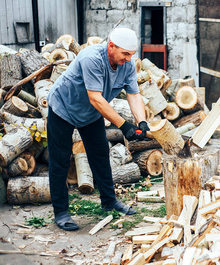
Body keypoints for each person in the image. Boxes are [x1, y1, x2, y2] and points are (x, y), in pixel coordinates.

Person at [47, 27, 150, 231]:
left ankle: (109, 201)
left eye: (132, 55)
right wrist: (123, 125)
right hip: (63, 107)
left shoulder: (127, 64)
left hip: (89, 113)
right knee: (60, 159)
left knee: (100, 154)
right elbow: (96, 98)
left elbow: (134, 95)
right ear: (111, 46)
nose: (129, 59)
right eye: (126, 54)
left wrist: (141, 122)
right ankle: (61, 212)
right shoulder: (91, 58)